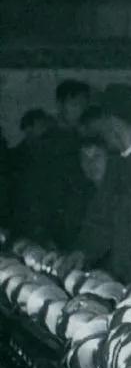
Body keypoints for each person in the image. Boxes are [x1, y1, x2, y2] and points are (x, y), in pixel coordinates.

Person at [65, 85, 131, 292]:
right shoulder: (118, 162)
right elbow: (102, 219)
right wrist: (82, 252)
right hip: (129, 284)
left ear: (112, 122)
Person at [14, 81, 90, 248]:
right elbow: (33, 190)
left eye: (84, 105)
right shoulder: (46, 144)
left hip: (83, 223)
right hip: (54, 225)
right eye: (75, 104)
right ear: (60, 105)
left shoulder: (88, 138)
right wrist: (40, 232)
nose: (81, 110)